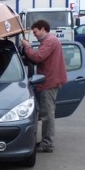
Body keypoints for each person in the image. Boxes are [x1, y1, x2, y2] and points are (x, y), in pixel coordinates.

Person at [20, 19, 67, 153]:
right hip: (49, 80)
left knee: (47, 114)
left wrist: (27, 46)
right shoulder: (50, 41)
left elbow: (38, 57)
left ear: (43, 29)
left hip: (49, 82)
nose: (34, 34)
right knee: (47, 112)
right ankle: (47, 141)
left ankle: (47, 143)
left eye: (35, 32)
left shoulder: (50, 41)